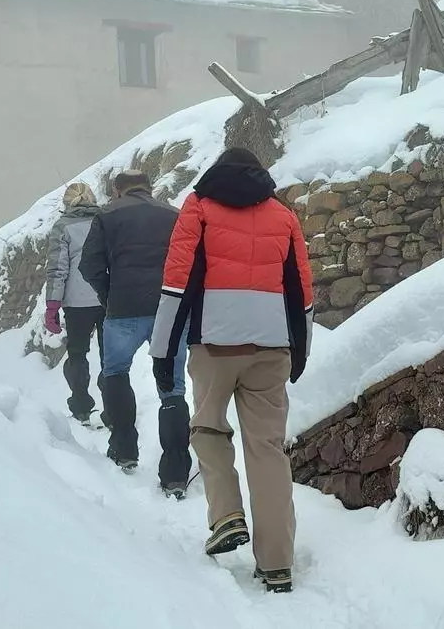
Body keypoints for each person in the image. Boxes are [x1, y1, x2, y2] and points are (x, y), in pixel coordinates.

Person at [149, 148, 314, 594]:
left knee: (207, 428)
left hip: (215, 344)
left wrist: (162, 351)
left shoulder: (199, 208)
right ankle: (277, 563)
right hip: (272, 346)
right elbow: (301, 287)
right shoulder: (283, 216)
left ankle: (226, 516)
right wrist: (301, 350)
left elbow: (176, 281)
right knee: (268, 450)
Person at [79, 170, 191, 497]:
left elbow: (89, 265)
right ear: (149, 187)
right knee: (172, 388)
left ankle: (124, 448)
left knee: (115, 372)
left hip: (123, 308)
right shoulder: (172, 214)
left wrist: (108, 294)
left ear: (117, 190)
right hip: (167, 309)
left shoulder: (107, 214)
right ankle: (175, 473)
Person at [44, 182, 104, 426]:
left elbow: (58, 268)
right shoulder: (106, 221)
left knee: (77, 354)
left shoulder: (63, 227)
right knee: (111, 357)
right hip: (106, 297)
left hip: (76, 303)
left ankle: (81, 406)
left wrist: (52, 305)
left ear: (66, 203)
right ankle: (112, 408)